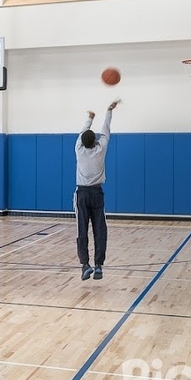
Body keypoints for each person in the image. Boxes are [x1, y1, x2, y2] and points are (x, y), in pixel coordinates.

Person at [75, 99, 121, 281]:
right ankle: (99, 265)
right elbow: (106, 130)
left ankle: (85, 265)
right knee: (99, 230)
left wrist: (89, 118)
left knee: (82, 230)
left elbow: (81, 134)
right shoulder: (100, 149)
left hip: (82, 194)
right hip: (96, 193)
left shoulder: (78, 148)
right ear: (95, 141)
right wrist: (109, 111)